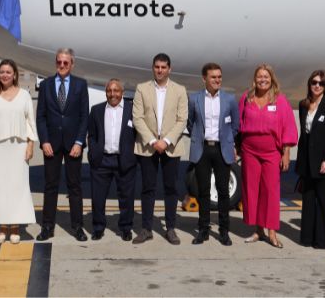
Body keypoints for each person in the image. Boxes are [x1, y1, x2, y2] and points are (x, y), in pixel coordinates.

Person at [0, 59, 38, 244]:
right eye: (2, 72)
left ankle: (16, 226)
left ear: (15, 74)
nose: (5, 75)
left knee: (17, 187)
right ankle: (2, 226)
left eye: (8, 72)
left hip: (18, 148)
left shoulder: (24, 95)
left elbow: (30, 122)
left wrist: (30, 145)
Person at [238, 64, 298, 248]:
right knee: (252, 190)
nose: (262, 79)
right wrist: (236, 147)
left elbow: (288, 125)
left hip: (271, 152)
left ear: (271, 79)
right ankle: (258, 230)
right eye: (259, 76)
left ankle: (272, 231)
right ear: (254, 79)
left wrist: (286, 152)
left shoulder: (280, 101)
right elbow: (238, 123)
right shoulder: (246, 98)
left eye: (266, 76)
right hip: (249, 151)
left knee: (271, 191)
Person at [132, 53, 188, 245]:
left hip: (170, 147)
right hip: (148, 147)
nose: (160, 70)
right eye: (157, 67)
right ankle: (146, 228)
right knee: (148, 188)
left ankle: (170, 228)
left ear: (169, 69)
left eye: (163, 67)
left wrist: (166, 141)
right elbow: (137, 117)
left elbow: (182, 120)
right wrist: (152, 141)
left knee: (171, 189)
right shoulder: (142, 89)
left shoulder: (180, 90)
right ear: (153, 68)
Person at [36, 48, 89, 242]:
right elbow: (40, 116)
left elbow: (84, 117)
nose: (62, 65)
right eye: (59, 62)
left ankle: (77, 227)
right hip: (52, 144)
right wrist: (44, 141)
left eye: (66, 63)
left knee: (75, 187)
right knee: (50, 186)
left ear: (72, 64)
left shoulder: (80, 85)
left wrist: (79, 142)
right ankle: (47, 226)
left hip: (73, 144)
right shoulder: (46, 85)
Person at [187, 63, 239, 246]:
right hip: (202, 149)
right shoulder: (195, 99)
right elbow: (190, 123)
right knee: (203, 192)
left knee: (223, 191)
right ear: (204, 79)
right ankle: (203, 230)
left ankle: (224, 231)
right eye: (213, 77)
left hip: (221, 149)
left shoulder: (230, 99)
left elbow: (235, 125)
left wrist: (227, 140)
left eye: (219, 77)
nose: (217, 80)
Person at [87, 79, 136, 242]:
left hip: (124, 160)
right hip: (102, 161)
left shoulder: (132, 110)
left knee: (126, 198)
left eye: (116, 90)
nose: (112, 94)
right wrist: (94, 153)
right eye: (109, 91)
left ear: (122, 92)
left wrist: (132, 155)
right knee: (98, 198)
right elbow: (92, 135)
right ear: (106, 92)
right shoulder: (96, 110)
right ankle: (98, 228)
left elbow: (138, 134)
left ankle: (126, 227)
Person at [295, 70, 325, 250]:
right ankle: (307, 238)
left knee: (322, 201)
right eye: (314, 82)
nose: (317, 86)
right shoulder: (303, 105)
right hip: (306, 161)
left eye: (321, 83)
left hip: (321, 161)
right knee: (308, 200)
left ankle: (323, 240)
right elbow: (304, 135)